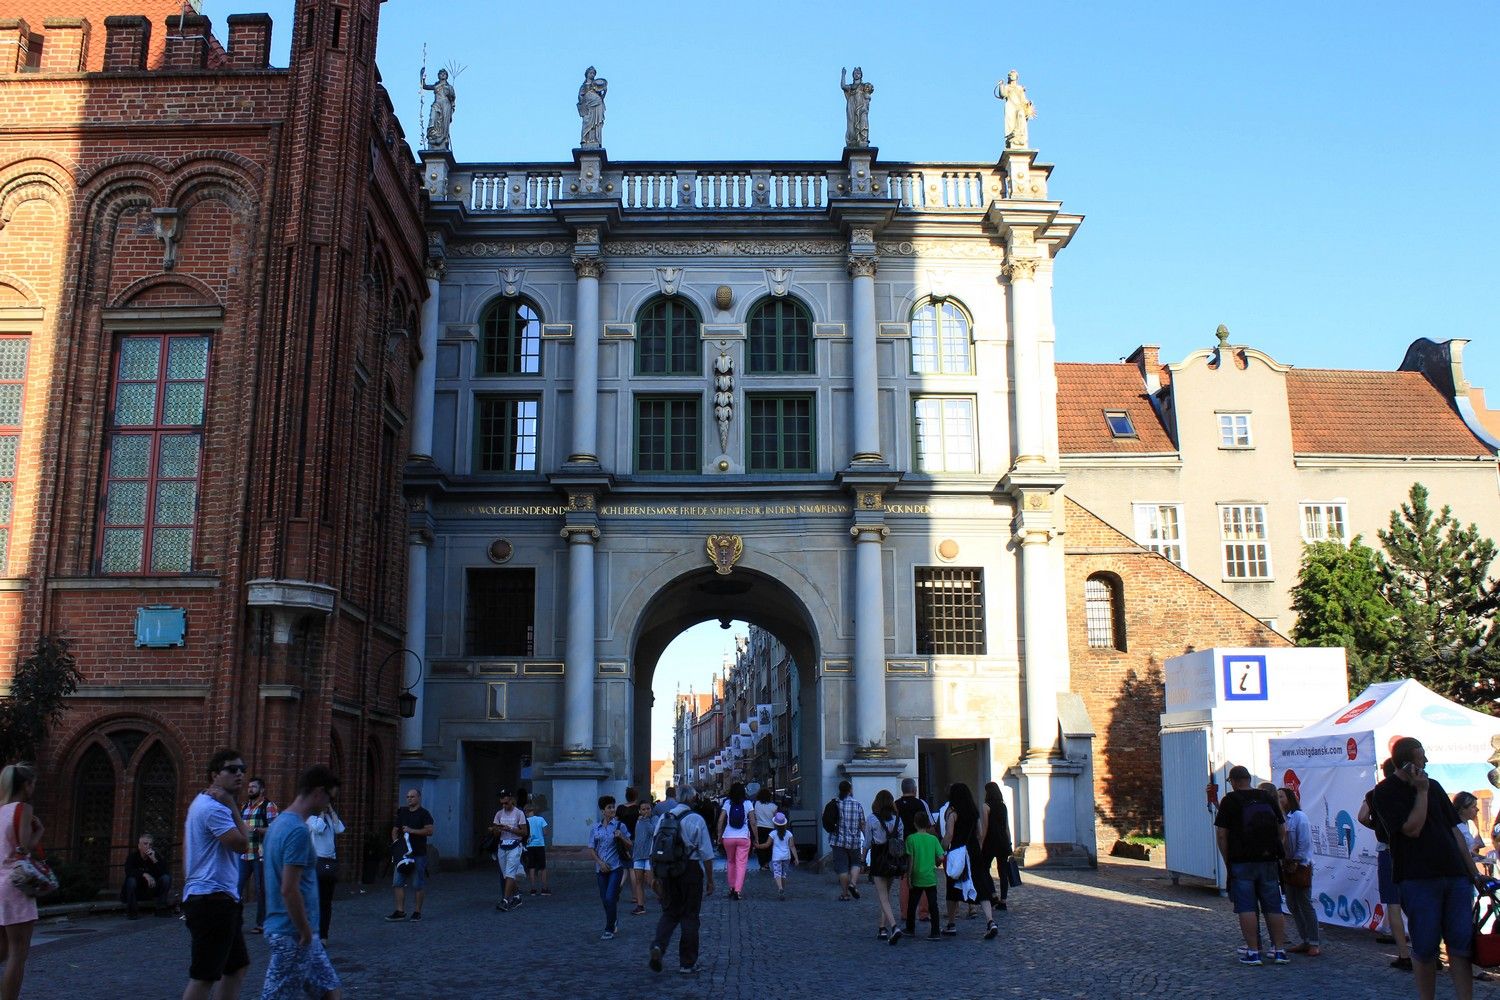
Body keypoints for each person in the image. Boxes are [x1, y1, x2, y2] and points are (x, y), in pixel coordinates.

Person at [1371, 737, 1491, 1000]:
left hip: (1455, 876)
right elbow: (1412, 829)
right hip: (1418, 878)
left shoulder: (1435, 786)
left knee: (1461, 946)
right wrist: (1421, 792)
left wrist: (1473, 873)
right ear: (1406, 763)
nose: (1426, 761)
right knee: (1425, 947)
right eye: (1420, 757)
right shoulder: (1385, 792)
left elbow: (1455, 832)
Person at [259, 765, 343, 1000]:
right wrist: (305, 929)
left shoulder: (278, 824)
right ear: (318, 792)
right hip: (292, 932)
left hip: (297, 931)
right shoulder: (297, 830)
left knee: (329, 989)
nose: (328, 804)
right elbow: (289, 888)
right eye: (329, 798)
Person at [182, 749, 252, 1000]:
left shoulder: (204, 802)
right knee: (204, 976)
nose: (240, 774)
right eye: (232, 769)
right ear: (214, 775)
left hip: (219, 898)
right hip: (211, 899)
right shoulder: (215, 808)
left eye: (242, 769)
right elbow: (242, 844)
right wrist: (233, 805)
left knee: (236, 967)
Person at [1214, 764, 1289, 966]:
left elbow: (1222, 835)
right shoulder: (1267, 797)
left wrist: (1227, 859)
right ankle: (1279, 950)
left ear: (1235, 781)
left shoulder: (1230, 800)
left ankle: (1254, 952)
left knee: (1246, 906)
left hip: (1242, 860)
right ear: (1248, 778)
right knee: (1273, 906)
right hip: (1269, 860)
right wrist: (1275, 850)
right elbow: (1282, 829)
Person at [647, 784, 715, 975]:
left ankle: (659, 945)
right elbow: (707, 854)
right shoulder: (696, 820)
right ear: (693, 799)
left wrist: (655, 876)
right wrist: (710, 880)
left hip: (668, 871)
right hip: (691, 871)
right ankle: (687, 962)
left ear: (676, 798)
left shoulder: (664, 818)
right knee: (690, 916)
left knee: (669, 912)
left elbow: (654, 849)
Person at [1360, 758, 1413, 971]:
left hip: (1389, 850)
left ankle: (1403, 954)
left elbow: (1362, 816)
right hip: (1413, 851)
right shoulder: (1413, 791)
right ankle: (1430, 952)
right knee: (1419, 900)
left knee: (1393, 902)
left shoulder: (1376, 793)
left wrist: (1378, 828)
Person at [0, 762, 41, 1000]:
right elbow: (24, 848)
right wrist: (39, 831)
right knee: (17, 953)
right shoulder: (22, 809)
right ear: (26, 785)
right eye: (33, 784)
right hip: (15, 885)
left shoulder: (1, 810)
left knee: (3, 949)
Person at [940, 782, 998, 940]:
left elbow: (949, 834)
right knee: (981, 886)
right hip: (973, 852)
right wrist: (976, 849)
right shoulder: (974, 812)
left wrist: (942, 848)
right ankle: (990, 921)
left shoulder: (952, 812)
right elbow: (979, 834)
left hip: (957, 851)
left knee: (952, 888)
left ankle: (951, 924)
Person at [1279, 786, 1319, 956]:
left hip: (1301, 865)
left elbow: (1305, 842)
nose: (1279, 800)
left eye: (1281, 797)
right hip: (1287, 864)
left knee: (1305, 903)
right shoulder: (1281, 818)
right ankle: (1305, 939)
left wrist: (1296, 861)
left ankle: (1314, 941)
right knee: (1292, 904)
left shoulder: (1299, 817)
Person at [387, 788, 433, 922]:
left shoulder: (424, 814)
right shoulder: (403, 813)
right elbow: (395, 830)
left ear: (418, 798)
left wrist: (411, 830)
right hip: (403, 855)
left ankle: (417, 911)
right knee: (397, 882)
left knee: (418, 884)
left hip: (418, 853)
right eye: (407, 797)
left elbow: (429, 831)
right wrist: (396, 844)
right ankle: (400, 911)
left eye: (412, 797)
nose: (409, 799)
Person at [588, 795, 631, 940]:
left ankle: (609, 928)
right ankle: (613, 919)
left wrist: (621, 837)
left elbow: (630, 845)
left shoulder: (620, 826)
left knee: (610, 897)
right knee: (604, 899)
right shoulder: (595, 828)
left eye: (613, 806)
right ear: (602, 810)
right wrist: (599, 863)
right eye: (609, 807)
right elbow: (592, 848)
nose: (612, 809)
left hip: (615, 867)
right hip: (601, 869)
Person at [239, 776, 278, 934]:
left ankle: (261, 923)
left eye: (253, 787)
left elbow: (275, 830)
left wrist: (255, 829)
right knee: (235, 888)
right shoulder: (244, 807)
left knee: (261, 890)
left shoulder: (269, 806)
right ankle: (234, 921)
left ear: (262, 790)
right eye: (249, 787)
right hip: (244, 854)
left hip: (261, 854)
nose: (250, 789)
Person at [867, 789, 905, 942]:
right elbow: (901, 840)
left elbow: (868, 842)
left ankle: (894, 926)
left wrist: (863, 860)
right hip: (893, 859)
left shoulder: (872, 819)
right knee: (886, 896)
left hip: (878, 858)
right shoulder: (898, 820)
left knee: (883, 897)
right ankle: (882, 928)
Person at [304, 800, 344, 941]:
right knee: (314, 901)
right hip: (316, 863)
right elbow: (318, 829)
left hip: (329, 863)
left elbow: (340, 829)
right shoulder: (311, 819)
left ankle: (323, 936)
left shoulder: (328, 817)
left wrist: (331, 811)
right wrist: (321, 812)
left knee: (326, 903)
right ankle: (311, 932)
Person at [894, 778, 933, 922]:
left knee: (904, 879)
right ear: (914, 789)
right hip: (919, 844)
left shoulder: (896, 805)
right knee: (922, 877)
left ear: (902, 789)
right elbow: (928, 825)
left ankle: (905, 912)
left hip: (902, 845)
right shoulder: (920, 804)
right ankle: (923, 912)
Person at [902, 811, 944, 942]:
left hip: (917, 876)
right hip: (930, 876)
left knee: (912, 904)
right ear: (927, 824)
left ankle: (910, 928)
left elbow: (911, 860)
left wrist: (908, 876)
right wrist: (936, 863)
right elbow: (941, 857)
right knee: (933, 905)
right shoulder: (933, 839)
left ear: (915, 824)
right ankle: (935, 931)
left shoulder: (911, 839)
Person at [828, 780, 866, 901]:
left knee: (842, 867)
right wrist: (866, 838)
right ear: (850, 790)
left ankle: (845, 894)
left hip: (838, 840)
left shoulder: (836, 803)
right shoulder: (857, 804)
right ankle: (853, 884)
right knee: (856, 863)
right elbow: (862, 824)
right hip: (854, 840)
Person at [717, 782, 756, 900]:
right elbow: (753, 822)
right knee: (741, 864)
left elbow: (720, 821)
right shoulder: (748, 803)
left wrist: (719, 835)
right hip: (743, 837)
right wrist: (756, 837)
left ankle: (731, 888)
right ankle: (738, 891)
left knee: (730, 862)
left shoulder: (727, 803)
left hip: (728, 837)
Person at [491, 788, 528, 912]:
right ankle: (517, 895)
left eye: (506, 803)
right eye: (502, 803)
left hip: (515, 845)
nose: (504, 805)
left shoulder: (519, 813)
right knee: (506, 874)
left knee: (510, 872)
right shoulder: (499, 814)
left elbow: (524, 832)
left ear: (512, 800)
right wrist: (495, 830)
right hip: (502, 845)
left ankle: (505, 900)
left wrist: (509, 829)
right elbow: (496, 834)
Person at [979, 781, 1013, 911]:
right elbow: (1006, 827)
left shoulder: (986, 806)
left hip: (990, 842)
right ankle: (1003, 900)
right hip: (1003, 842)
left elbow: (985, 827)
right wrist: (1009, 844)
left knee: (984, 869)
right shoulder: (1003, 806)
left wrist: (981, 843)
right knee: (1003, 871)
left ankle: (993, 895)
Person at [123, 832, 173, 919]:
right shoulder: (133, 857)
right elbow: (128, 871)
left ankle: (161, 909)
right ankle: (132, 912)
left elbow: (165, 872)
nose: (148, 846)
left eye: (150, 844)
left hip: (151, 889)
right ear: (139, 846)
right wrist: (144, 874)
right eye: (145, 844)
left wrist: (154, 859)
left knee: (166, 878)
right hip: (138, 890)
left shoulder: (156, 856)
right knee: (131, 880)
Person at [757, 813, 796, 901]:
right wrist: (796, 858)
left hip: (776, 857)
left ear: (775, 824)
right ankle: (783, 889)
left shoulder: (773, 833)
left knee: (777, 873)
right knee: (783, 874)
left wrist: (758, 846)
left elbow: (767, 845)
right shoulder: (789, 833)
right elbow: (792, 846)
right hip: (786, 857)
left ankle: (780, 888)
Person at [994, 69, 1036, 148]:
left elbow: (1023, 99)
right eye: (1010, 75)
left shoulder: (1020, 88)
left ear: (1017, 77)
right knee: (1011, 123)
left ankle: (1020, 136)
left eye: (1013, 74)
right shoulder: (1007, 87)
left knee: (1020, 117)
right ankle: (1012, 138)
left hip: (1019, 106)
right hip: (1010, 106)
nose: (1012, 76)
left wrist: (1028, 104)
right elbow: (1003, 95)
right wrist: (1001, 85)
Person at [419, 66, 455, 150]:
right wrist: (422, 76)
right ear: (438, 76)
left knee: (443, 123)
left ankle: (442, 139)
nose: (442, 75)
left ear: (446, 76)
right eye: (441, 74)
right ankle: (432, 136)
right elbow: (424, 86)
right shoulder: (436, 85)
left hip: (445, 104)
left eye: (444, 74)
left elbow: (452, 98)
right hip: (437, 103)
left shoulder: (449, 87)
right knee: (433, 118)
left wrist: (450, 93)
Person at [840, 66, 873, 147]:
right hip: (852, 106)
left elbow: (870, 90)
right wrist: (843, 74)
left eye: (858, 73)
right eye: (855, 73)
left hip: (862, 107)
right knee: (851, 123)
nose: (856, 74)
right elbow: (843, 86)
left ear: (861, 75)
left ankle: (862, 139)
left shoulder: (864, 86)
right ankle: (853, 140)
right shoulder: (851, 87)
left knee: (863, 121)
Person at [523, 802, 550, 897]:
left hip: (530, 846)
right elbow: (545, 832)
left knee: (531, 867)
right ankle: (544, 888)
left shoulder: (525, 821)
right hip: (540, 845)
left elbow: (524, 834)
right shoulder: (541, 819)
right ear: (533, 810)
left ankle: (533, 889)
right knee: (542, 868)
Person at [577, 66, 607, 147]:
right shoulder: (584, 86)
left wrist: (605, 92)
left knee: (596, 124)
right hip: (588, 106)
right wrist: (584, 102)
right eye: (591, 73)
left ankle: (595, 139)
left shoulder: (596, 85)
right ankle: (585, 139)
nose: (592, 75)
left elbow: (601, 97)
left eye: (594, 73)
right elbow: (580, 96)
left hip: (597, 105)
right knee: (587, 121)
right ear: (587, 74)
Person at [1455, 792, 1487, 867]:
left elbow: (1467, 852)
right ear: (1463, 809)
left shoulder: (1467, 824)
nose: (1477, 809)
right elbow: (1461, 854)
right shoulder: (1456, 827)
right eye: (1473, 807)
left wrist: (1482, 859)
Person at [752, 788, 778, 871]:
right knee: (769, 846)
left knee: (760, 846)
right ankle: (766, 863)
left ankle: (762, 863)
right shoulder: (774, 806)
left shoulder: (756, 804)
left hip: (759, 827)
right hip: (770, 828)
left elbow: (754, 816)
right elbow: (776, 819)